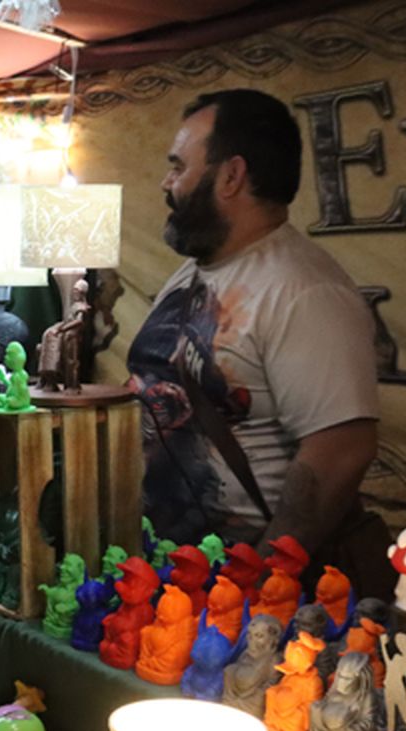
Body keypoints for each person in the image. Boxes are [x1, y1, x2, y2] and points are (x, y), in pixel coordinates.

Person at [127, 89, 379, 552]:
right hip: (170, 569)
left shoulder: (304, 291)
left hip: (241, 589)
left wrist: (264, 579)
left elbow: (342, 451)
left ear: (231, 176)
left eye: (179, 166)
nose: (166, 182)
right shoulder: (198, 269)